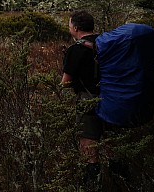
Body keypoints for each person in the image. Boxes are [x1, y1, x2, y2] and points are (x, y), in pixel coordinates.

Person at [60, 10, 103, 189]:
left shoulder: (76, 49)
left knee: (88, 143)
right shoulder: (105, 43)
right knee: (112, 142)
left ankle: (91, 183)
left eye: (70, 24)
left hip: (88, 100)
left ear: (76, 27)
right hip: (113, 97)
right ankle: (121, 179)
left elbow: (65, 83)